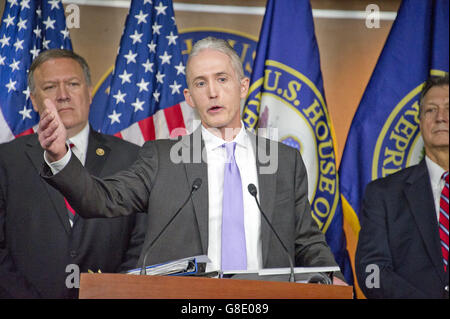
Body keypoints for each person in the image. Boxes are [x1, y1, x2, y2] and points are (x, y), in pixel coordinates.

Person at [37, 37, 345, 284]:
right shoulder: (162, 158)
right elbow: (101, 200)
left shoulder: (284, 161)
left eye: (222, 79)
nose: (212, 92)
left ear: (242, 87)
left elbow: (306, 240)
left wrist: (334, 279)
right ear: (189, 97)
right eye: (200, 83)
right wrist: (60, 155)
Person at [0, 49, 147, 298]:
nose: (63, 95)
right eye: (50, 87)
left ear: (90, 92)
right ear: (34, 100)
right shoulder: (5, 160)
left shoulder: (132, 158)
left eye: (73, 84)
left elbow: (141, 245)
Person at [356, 74, 449, 298]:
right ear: (420, 123)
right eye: (430, 110)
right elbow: (372, 272)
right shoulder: (382, 194)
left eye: (448, 108)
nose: (440, 118)